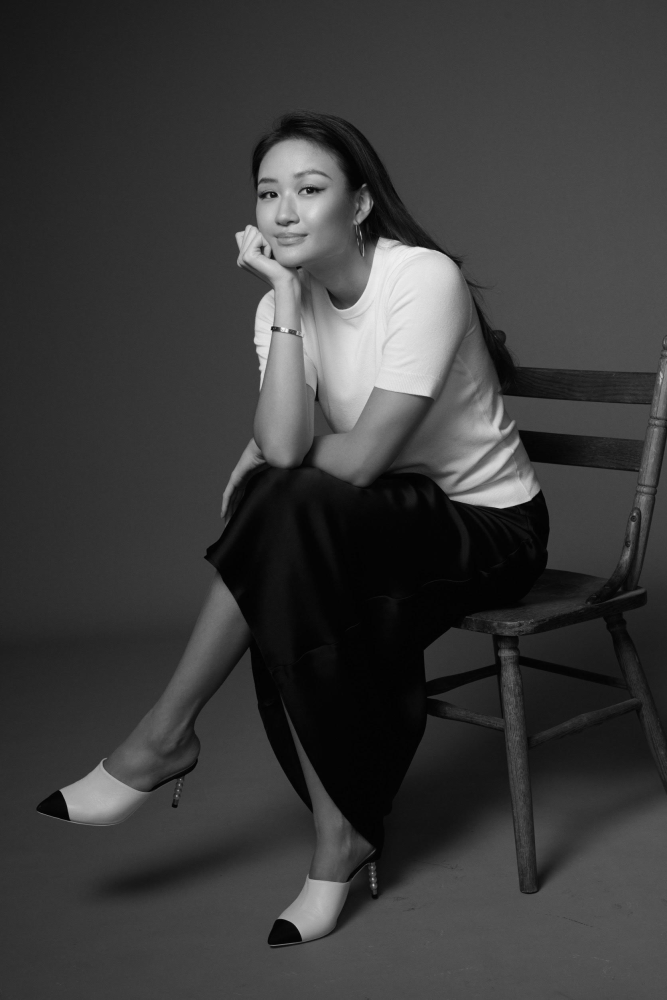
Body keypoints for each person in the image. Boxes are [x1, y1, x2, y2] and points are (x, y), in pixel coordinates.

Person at [36, 111, 549, 947]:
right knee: (285, 527)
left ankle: (165, 740)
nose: (282, 211)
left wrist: (275, 458)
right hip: (382, 519)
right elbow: (284, 448)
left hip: (487, 527)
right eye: (267, 192)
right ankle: (328, 835)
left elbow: (356, 459)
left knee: (282, 510)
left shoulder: (421, 278)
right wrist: (282, 297)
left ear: (360, 203)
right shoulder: (282, 305)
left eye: (309, 189)